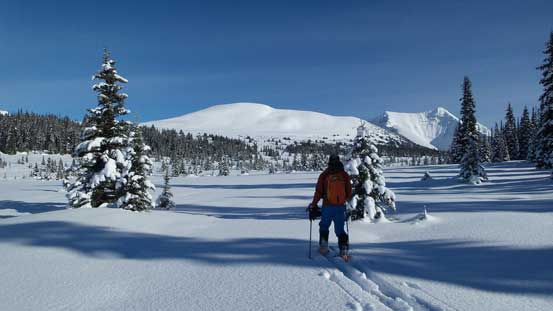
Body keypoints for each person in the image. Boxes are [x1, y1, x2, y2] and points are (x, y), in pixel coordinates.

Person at [308, 154, 352, 260]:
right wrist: (344, 201)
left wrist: (313, 204)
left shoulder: (324, 175)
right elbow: (349, 192)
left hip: (327, 206)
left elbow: (318, 192)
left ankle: (323, 247)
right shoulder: (344, 175)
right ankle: (344, 250)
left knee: (324, 226)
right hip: (340, 207)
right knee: (340, 230)